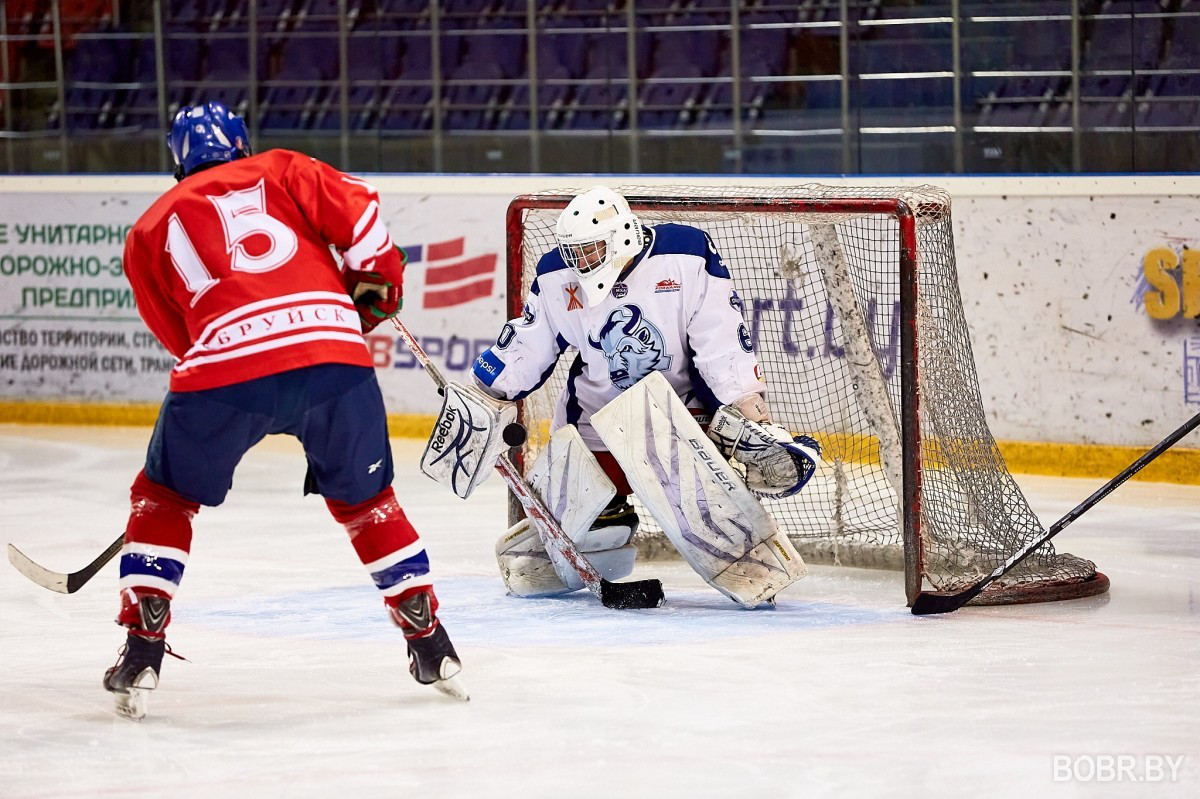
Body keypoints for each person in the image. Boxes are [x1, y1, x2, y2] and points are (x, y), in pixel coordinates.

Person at [104, 101, 465, 720]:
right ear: (241, 141)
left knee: (163, 500)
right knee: (369, 504)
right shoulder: (284, 168)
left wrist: (235, 364)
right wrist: (377, 286)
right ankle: (430, 641)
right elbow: (365, 219)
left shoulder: (147, 227)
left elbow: (179, 334)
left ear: (177, 158)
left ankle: (142, 647)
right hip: (333, 357)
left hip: (223, 369)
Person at [466, 186, 821, 607]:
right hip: (593, 422)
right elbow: (528, 345)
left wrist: (750, 410)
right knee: (549, 546)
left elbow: (721, 340)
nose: (579, 262)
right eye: (574, 251)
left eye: (591, 250)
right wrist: (481, 398)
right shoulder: (555, 276)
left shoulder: (685, 253)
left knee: (706, 514)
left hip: (676, 418)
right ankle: (607, 515)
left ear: (623, 236)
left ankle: (744, 509)